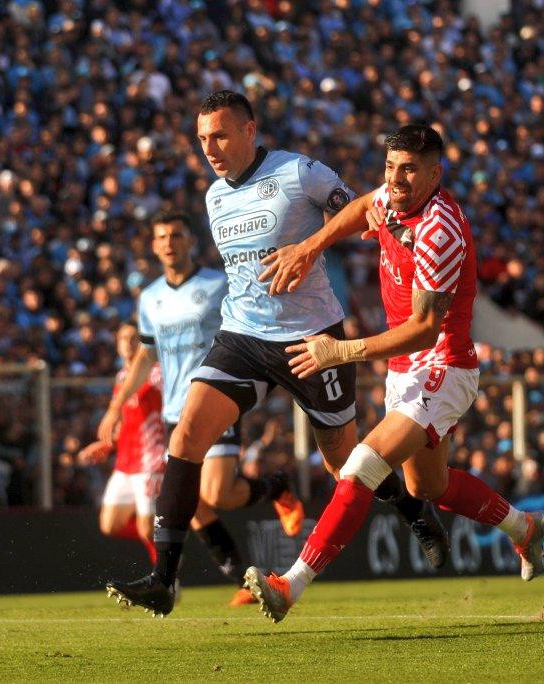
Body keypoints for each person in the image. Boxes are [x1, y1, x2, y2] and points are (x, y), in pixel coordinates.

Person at [106, 91, 445, 617]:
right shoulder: (215, 197)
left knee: (345, 465)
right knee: (186, 435)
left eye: (220, 135)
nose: (211, 148)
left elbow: (363, 210)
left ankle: (413, 510)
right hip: (241, 336)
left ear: (249, 130)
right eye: (202, 140)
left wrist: (310, 247)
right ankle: (163, 579)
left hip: (312, 341)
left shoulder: (299, 172)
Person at [244, 124, 544, 622]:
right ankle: (525, 529)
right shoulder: (391, 196)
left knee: (363, 464)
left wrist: (339, 352)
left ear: (435, 173)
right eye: (390, 167)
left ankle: (289, 585)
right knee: (427, 489)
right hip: (405, 367)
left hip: (442, 365)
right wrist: (312, 246)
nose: (396, 179)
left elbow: (425, 330)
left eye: (409, 169)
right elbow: (359, 208)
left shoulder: (440, 232)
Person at [95, 212, 258, 606]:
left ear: (190, 242)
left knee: (216, 492)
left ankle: (277, 487)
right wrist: (114, 409)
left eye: (177, 235)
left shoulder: (217, 285)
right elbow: (145, 357)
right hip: (174, 414)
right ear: (154, 246)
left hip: (215, 399)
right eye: (162, 236)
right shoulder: (150, 298)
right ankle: (242, 578)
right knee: (194, 503)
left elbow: (245, 334)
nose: (169, 242)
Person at [78, 323, 165, 569]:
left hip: (150, 459)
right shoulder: (121, 377)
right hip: (126, 461)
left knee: (147, 527)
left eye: (134, 338)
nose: (128, 343)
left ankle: (168, 578)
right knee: (110, 524)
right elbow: (127, 422)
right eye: (123, 338)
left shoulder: (158, 373)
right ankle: (168, 540)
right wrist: (108, 444)